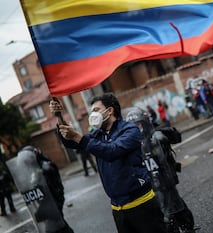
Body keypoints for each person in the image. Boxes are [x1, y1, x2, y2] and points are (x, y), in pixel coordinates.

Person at [49, 93, 167, 233]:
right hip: (118, 209)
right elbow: (71, 142)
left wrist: (77, 136)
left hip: (142, 205)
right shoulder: (98, 134)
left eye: (96, 110)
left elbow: (112, 151)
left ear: (110, 111)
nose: (92, 114)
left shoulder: (129, 130)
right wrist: (59, 117)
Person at [126, 108, 196, 233]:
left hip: (165, 179)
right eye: (134, 126)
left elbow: (177, 137)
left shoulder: (155, 135)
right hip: (149, 184)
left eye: (139, 124)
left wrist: (164, 134)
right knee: (162, 213)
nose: (137, 128)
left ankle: (187, 225)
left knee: (175, 204)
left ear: (145, 122)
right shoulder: (130, 143)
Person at [20, 145, 74, 233]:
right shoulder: (36, 168)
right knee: (58, 225)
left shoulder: (45, 166)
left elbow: (51, 184)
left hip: (54, 200)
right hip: (47, 201)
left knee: (54, 227)